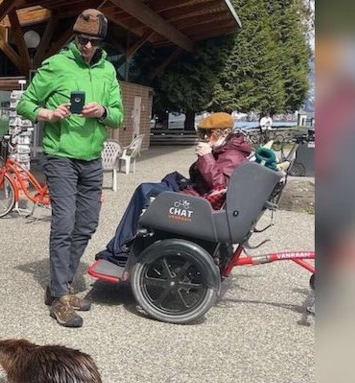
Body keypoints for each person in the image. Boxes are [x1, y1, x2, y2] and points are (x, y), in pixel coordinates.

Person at [16, 8, 123, 328]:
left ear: (101, 43)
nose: (86, 46)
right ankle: (61, 295)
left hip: (91, 157)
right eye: (81, 39)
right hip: (60, 155)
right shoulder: (56, 65)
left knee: (87, 223)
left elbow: (118, 115)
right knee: (64, 222)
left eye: (92, 41)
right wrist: (47, 114)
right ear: (74, 38)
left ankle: (58, 283)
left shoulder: (107, 71)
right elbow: (26, 104)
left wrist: (102, 110)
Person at [95, 112, 253, 266]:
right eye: (202, 133)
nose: (205, 137)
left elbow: (219, 186)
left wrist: (206, 157)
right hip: (196, 193)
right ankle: (123, 243)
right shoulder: (227, 149)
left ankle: (119, 247)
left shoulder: (233, 154)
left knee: (145, 191)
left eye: (209, 133)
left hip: (199, 202)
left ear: (225, 132)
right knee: (146, 189)